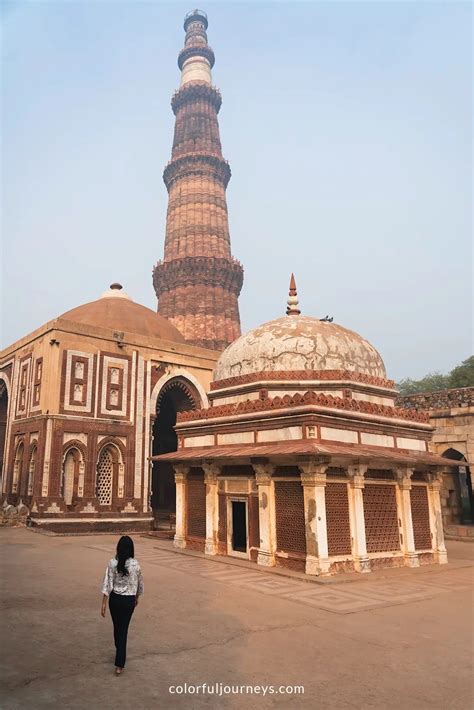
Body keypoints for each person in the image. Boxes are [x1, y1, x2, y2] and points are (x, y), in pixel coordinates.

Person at [101, 535, 144, 675]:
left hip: (115, 600)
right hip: (128, 601)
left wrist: (104, 603)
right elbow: (139, 583)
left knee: (117, 628)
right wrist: (136, 597)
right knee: (123, 629)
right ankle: (120, 662)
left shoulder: (112, 563)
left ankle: (119, 657)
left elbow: (107, 583)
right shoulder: (135, 564)